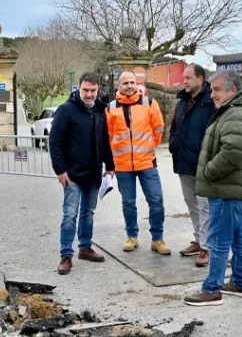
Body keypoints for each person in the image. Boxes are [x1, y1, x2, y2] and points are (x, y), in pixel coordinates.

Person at [184, 70, 242, 306]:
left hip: (227, 191)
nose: (212, 94)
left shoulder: (236, 114)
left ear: (233, 91)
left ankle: (212, 289)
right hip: (236, 190)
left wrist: (207, 172)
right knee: (238, 236)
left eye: (217, 89)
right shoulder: (235, 111)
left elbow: (233, 152)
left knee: (218, 239)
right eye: (211, 89)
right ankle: (240, 282)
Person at [49, 72, 116, 275]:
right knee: (70, 215)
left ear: (98, 90)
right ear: (78, 88)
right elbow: (55, 142)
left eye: (93, 91)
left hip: (94, 173)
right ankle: (66, 255)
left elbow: (104, 141)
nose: (89, 94)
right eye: (86, 90)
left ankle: (85, 248)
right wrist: (60, 170)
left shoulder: (99, 111)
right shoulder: (65, 110)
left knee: (88, 213)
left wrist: (110, 166)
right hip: (72, 174)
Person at [106, 71, 171, 255]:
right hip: (123, 165)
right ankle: (132, 236)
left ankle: (157, 239)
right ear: (119, 86)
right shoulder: (110, 108)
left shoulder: (150, 103)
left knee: (156, 201)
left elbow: (158, 129)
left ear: (137, 84)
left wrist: (149, 147)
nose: (129, 85)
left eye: (132, 82)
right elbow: (109, 136)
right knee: (128, 203)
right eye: (125, 82)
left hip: (147, 163)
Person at [168, 63, 215, 268]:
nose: (184, 81)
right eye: (183, 78)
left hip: (203, 163)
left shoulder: (210, 102)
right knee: (192, 204)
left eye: (188, 78)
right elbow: (174, 127)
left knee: (205, 206)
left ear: (200, 79)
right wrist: (173, 145)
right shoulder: (182, 101)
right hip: (183, 161)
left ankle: (207, 247)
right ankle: (198, 240)